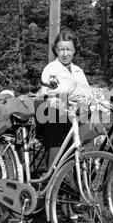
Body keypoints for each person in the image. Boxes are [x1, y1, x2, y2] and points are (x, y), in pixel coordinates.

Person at [38, 29, 101, 168]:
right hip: (55, 118)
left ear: (74, 50)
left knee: (96, 130)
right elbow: (56, 92)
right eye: (61, 49)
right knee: (57, 162)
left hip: (74, 118)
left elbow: (87, 94)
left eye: (68, 49)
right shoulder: (51, 69)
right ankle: (52, 185)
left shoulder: (78, 71)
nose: (65, 54)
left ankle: (78, 180)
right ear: (55, 50)